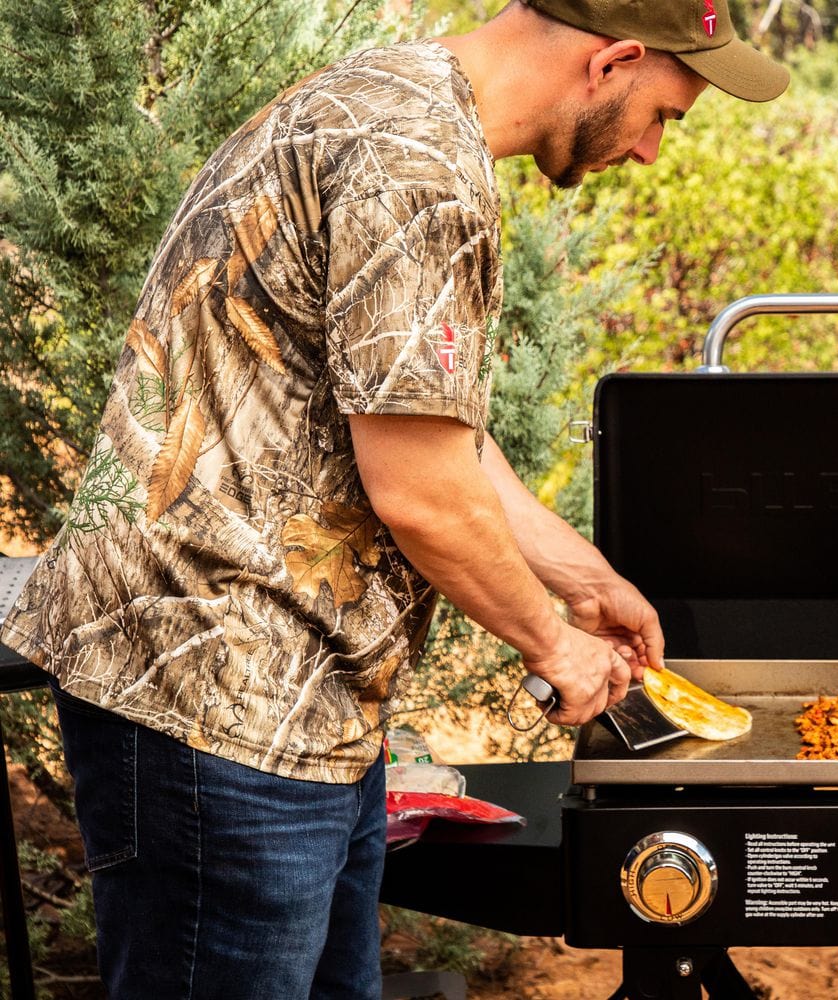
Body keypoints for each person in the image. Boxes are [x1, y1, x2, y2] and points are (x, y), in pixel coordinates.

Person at [0, 1, 788, 996]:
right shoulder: (416, 166)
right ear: (615, 60)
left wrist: (582, 578)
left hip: (294, 700)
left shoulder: (391, 95)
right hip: (217, 705)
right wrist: (555, 647)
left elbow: (425, 424)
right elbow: (420, 492)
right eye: (665, 116)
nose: (650, 155)